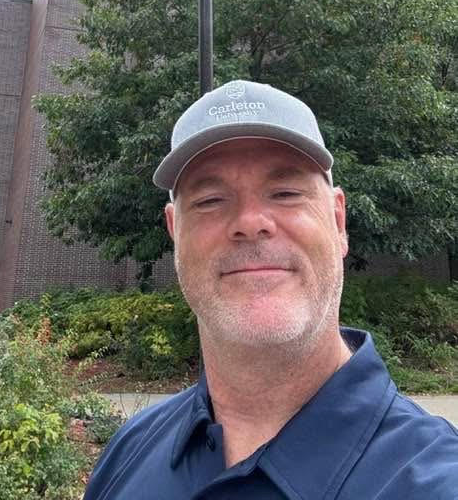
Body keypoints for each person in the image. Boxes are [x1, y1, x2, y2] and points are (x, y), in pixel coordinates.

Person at [83, 80, 457, 499]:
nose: (251, 221)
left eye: (285, 192)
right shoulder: (127, 454)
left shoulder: (436, 481)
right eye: (210, 200)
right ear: (175, 232)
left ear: (338, 221)